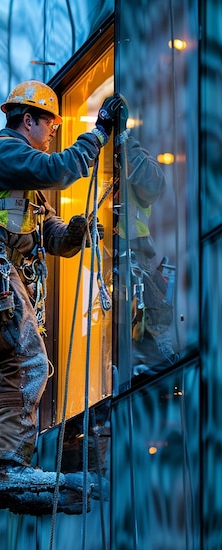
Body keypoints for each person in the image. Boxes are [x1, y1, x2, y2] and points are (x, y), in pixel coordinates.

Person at [0, 80, 125, 514]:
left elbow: (50, 237)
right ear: (27, 120)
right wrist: (99, 133)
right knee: (29, 364)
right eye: (48, 125)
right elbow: (58, 169)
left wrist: (77, 233)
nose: (51, 135)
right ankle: (9, 467)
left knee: (11, 370)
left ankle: (0, 474)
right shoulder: (2, 152)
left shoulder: (21, 185)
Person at [113, 108, 178, 379]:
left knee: (149, 330)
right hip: (105, 269)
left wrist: (125, 142)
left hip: (132, 263)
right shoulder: (91, 167)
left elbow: (153, 183)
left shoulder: (134, 163)